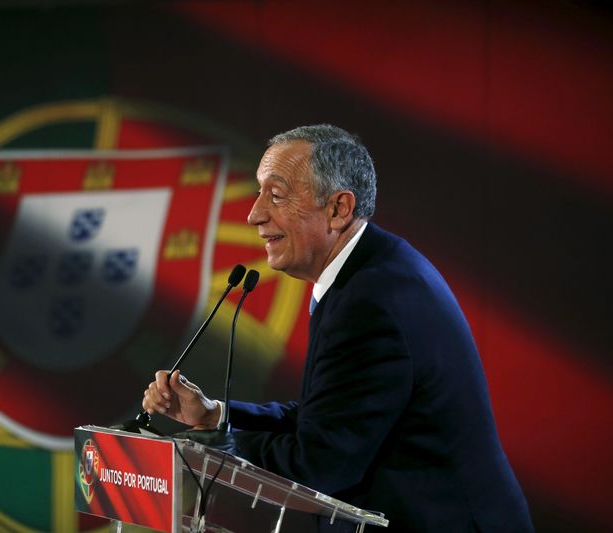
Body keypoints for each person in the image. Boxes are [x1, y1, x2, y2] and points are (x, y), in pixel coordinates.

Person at [142, 125, 533, 532]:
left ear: (338, 209)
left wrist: (210, 447)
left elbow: (321, 462)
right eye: (258, 193)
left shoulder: (372, 299)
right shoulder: (370, 272)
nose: (254, 214)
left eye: (275, 194)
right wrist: (214, 416)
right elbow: (328, 417)